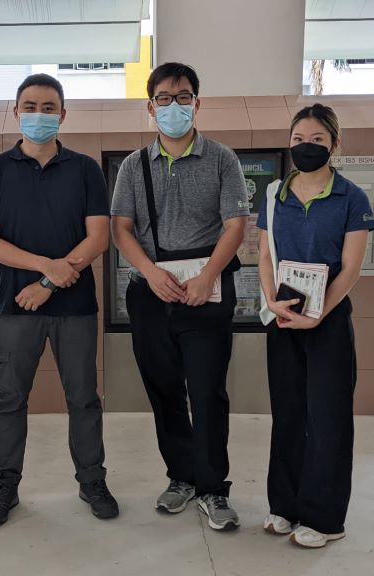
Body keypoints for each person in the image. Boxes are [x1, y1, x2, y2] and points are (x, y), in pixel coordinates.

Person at [0, 73, 117, 527]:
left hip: (75, 309)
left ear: (63, 115)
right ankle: (4, 485)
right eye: (30, 107)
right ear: (16, 112)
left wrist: (48, 282)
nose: (39, 115)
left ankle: (92, 480)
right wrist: (45, 266)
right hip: (17, 307)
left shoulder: (85, 169)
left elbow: (99, 238)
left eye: (48, 107)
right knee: (9, 398)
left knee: (84, 398)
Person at [111, 62, 248, 531]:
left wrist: (209, 275)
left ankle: (213, 487)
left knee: (207, 392)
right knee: (164, 389)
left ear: (197, 102)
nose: (175, 106)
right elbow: (121, 229)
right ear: (151, 107)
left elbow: (235, 225)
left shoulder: (222, 159)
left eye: (183, 96)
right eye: (165, 98)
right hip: (152, 291)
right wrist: (149, 273)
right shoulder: (134, 166)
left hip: (207, 290)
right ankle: (181, 477)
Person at [256, 103, 374, 548]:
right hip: (284, 317)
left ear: (335, 144)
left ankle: (325, 518)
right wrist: (272, 300)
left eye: (317, 140)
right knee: (287, 414)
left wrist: (320, 313)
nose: (307, 147)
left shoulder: (352, 198)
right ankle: (285, 506)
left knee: (328, 418)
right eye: (299, 140)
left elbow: (351, 268)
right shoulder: (274, 195)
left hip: (328, 320)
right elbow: (264, 256)